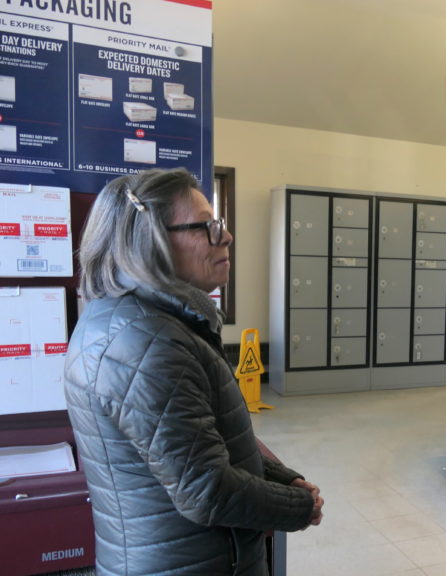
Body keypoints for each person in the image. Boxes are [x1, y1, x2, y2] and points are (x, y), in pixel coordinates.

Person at [64, 168, 325, 575]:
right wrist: (299, 507)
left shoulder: (142, 322)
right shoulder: (146, 342)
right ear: (148, 241)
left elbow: (201, 437)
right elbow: (206, 490)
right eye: (206, 226)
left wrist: (280, 477)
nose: (226, 236)